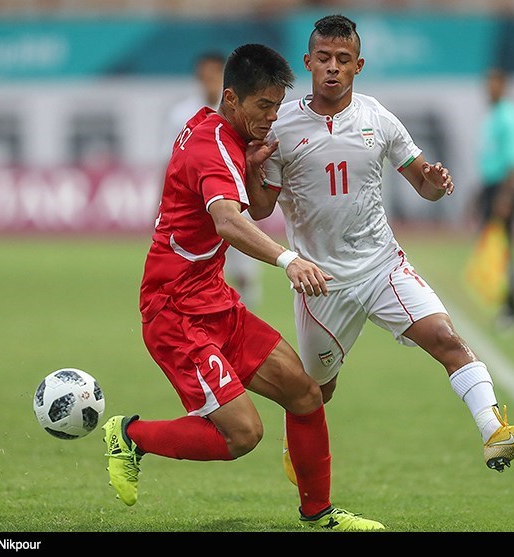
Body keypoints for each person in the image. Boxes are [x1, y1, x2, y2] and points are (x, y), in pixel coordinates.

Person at [244, 15, 514, 486]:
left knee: (447, 340)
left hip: (383, 267)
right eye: (323, 58)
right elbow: (263, 209)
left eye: (343, 60)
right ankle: (298, 443)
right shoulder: (281, 126)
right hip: (321, 283)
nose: (332, 68)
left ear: (359, 65)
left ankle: (494, 430)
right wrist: (253, 170)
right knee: (315, 391)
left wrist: (434, 184)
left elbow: (424, 186)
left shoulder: (378, 118)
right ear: (307, 62)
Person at [102, 43, 384, 531]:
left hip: (211, 298)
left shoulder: (219, 130)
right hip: (176, 312)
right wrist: (287, 258)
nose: (273, 117)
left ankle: (319, 514)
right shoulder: (211, 149)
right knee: (242, 435)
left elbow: (243, 206)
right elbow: (229, 221)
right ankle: (131, 435)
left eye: (277, 106)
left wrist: (251, 166)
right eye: (263, 106)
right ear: (231, 98)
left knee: (304, 392)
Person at [163, 50, 262, 308]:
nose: (208, 80)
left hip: (231, 191)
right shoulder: (181, 113)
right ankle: (203, 305)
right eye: (203, 75)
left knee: (242, 256)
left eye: (213, 74)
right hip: (195, 199)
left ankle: (244, 306)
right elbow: (171, 159)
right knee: (199, 260)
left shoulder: (237, 108)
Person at [476, 67, 514, 329]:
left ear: (504, 85)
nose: (490, 89)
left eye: (495, 84)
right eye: (488, 84)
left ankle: (513, 309)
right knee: (497, 249)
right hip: (493, 186)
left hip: (503, 188)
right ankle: (506, 305)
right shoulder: (495, 114)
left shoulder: (510, 116)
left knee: (504, 248)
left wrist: (506, 196)